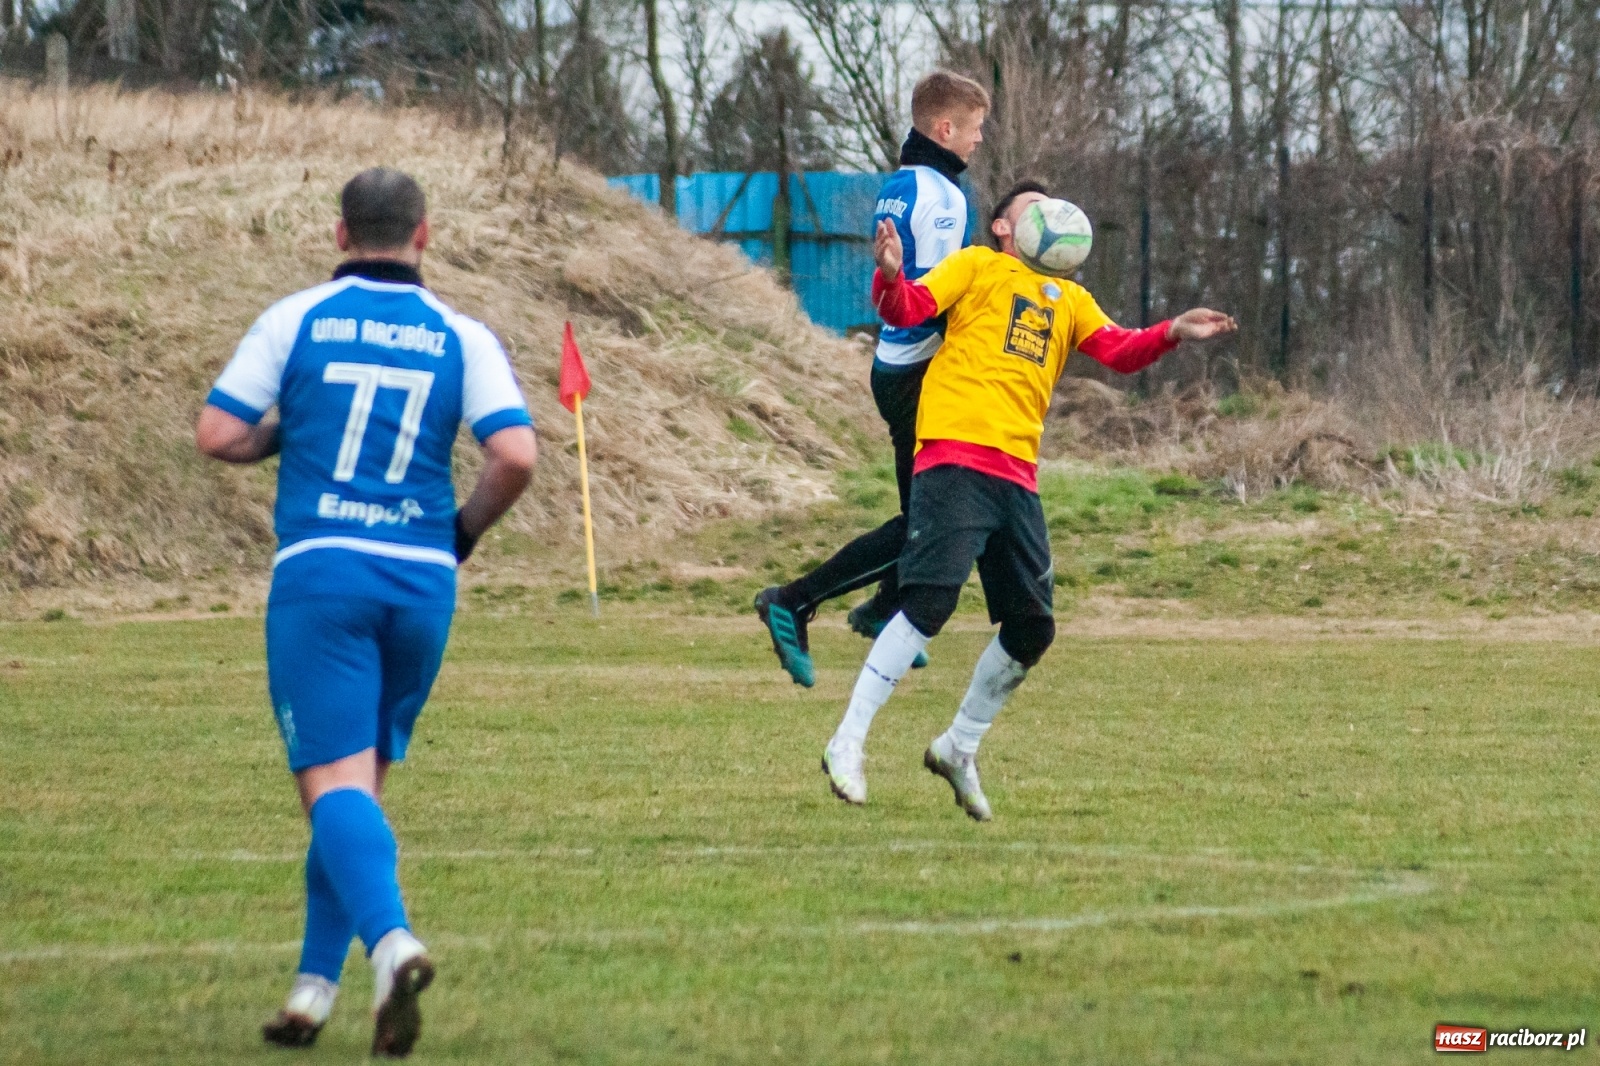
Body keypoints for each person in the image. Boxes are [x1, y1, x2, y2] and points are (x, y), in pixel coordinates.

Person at [195, 168, 537, 1057]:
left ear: (340, 234)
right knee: (360, 793)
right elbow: (516, 456)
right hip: (422, 585)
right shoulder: (464, 336)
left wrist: (286, 433)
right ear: (424, 234)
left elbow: (219, 433)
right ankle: (312, 991)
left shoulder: (295, 319)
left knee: (331, 790)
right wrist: (456, 535)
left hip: (324, 578)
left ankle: (394, 946)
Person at [820, 180, 1237, 820]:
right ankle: (847, 741)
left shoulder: (1069, 299)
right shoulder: (977, 266)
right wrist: (889, 277)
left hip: (1016, 476)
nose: (1051, 215)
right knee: (929, 599)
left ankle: (958, 746)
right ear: (1003, 228)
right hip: (954, 455)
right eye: (1034, 208)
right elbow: (907, 309)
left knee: (1033, 627)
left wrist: (1173, 330)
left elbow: (1120, 352)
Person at [755, 69, 990, 688]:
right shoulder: (942, 195)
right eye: (975, 129)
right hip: (919, 376)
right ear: (945, 129)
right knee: (928, 523)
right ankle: (795, 600)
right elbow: (937, 294)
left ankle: (888, 608)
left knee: (925, 512)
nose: (979, 141)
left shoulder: (900, 183)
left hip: (893, 366)